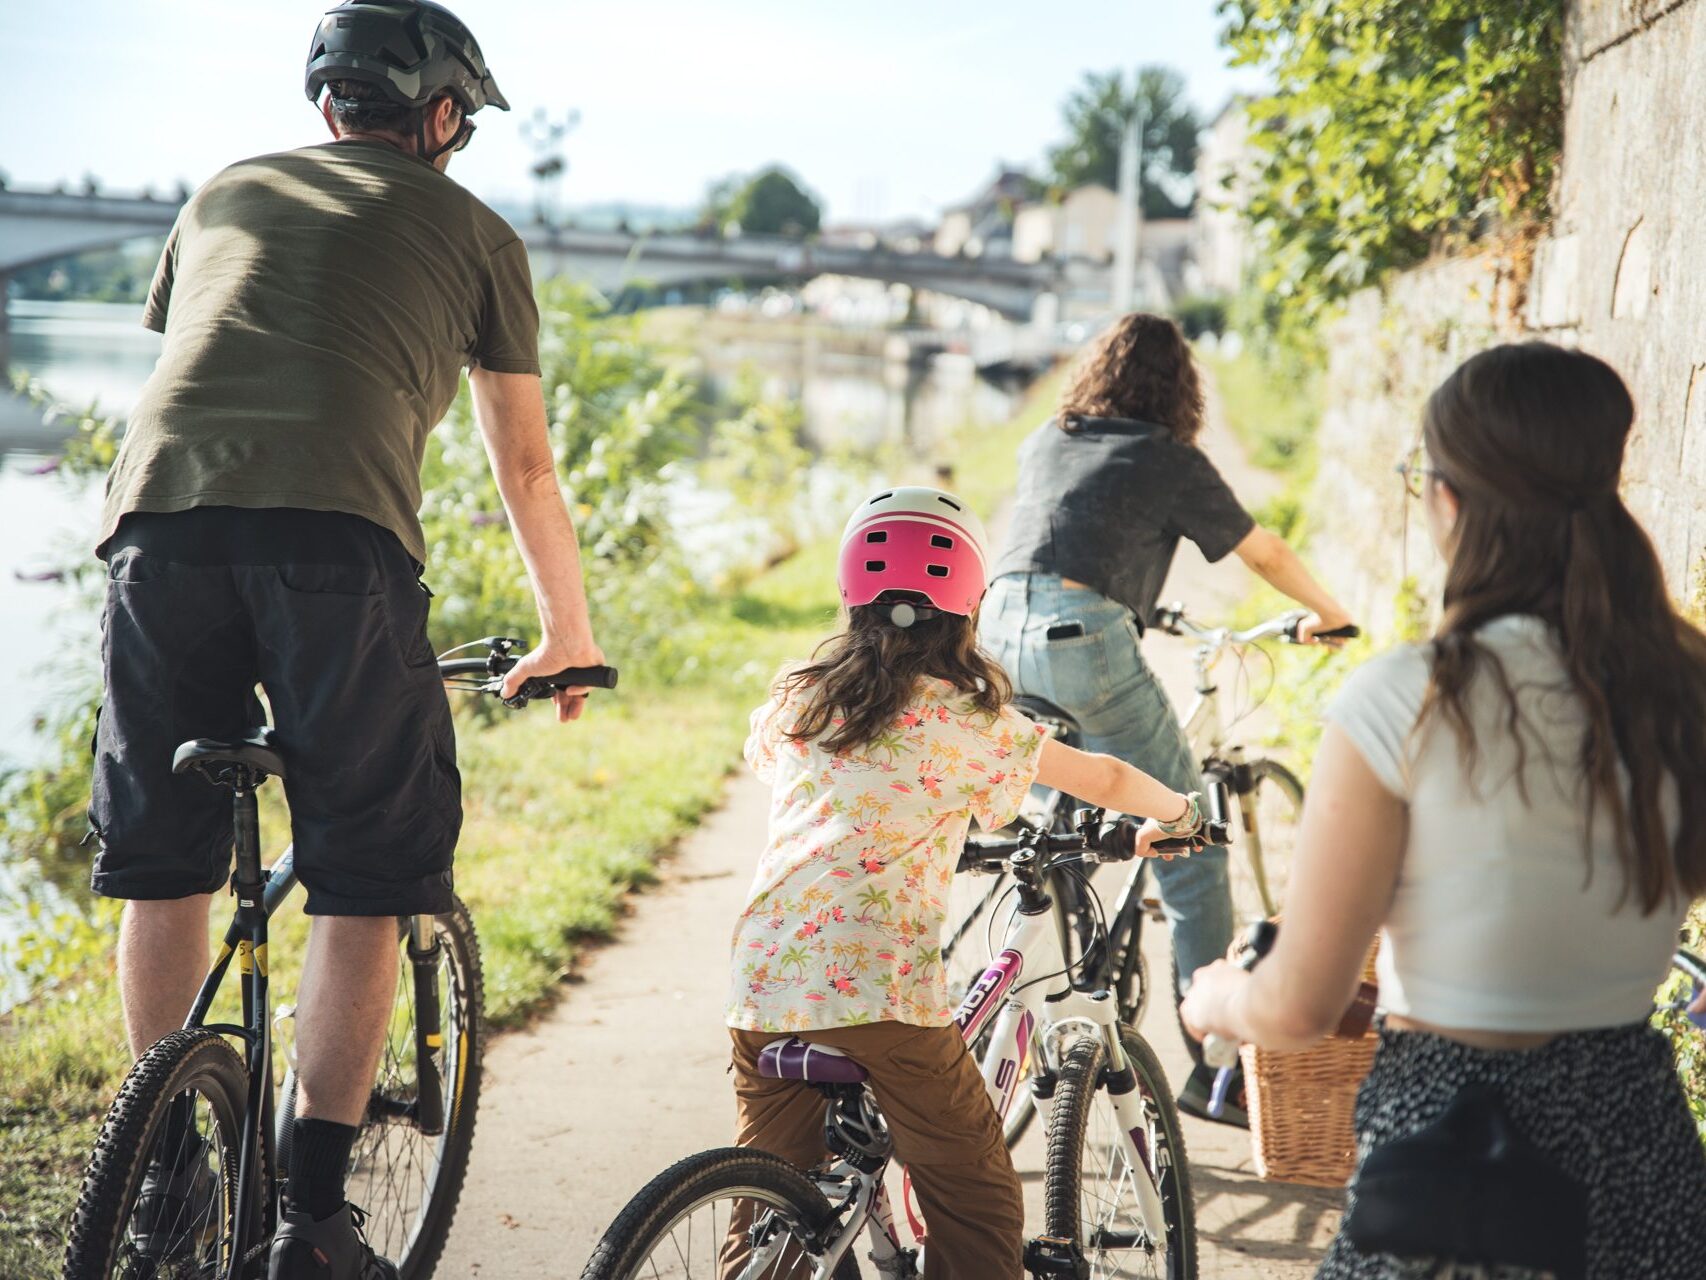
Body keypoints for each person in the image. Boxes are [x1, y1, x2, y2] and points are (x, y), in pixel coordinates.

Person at [88, 4, 604, 1277]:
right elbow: (525, 464)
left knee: (159, 858)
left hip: (156, 528)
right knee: (371, 870)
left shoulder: (225, 190)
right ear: (441, 115)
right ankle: (312, 1220)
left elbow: (214, 360)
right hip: (338, 542)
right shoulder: (477, 232)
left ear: (329, 104)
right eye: (462, 122)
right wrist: (566, 633)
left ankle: (163, 1179)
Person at [1182, 343, 1706, 1277]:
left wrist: (1215, 996)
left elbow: (1299, 1005)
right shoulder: (1684, 686)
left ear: (1450, 501)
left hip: (1458, 1154)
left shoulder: (1412, 698)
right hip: (1641, 1144)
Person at [723, 486, 1205, 1280]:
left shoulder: (802, 693)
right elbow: (1107, 778)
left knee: (770, 1206)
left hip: (764, 978)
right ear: (969, 607)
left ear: (851, 595)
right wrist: (1183, 813)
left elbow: (805, 780)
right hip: (877, 990)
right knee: (978, 1201)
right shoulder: (968, 720)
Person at [978, 311, 1355, 1124]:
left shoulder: (1047, 437)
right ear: (1180, 386)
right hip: (1081, 636)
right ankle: (1214, 1071)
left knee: (1055, 815)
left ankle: (1041, 945)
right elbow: (1265, 552)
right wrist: (1330, 613)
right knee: (1190, 840)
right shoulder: (1168, 456)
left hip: (996, 630)